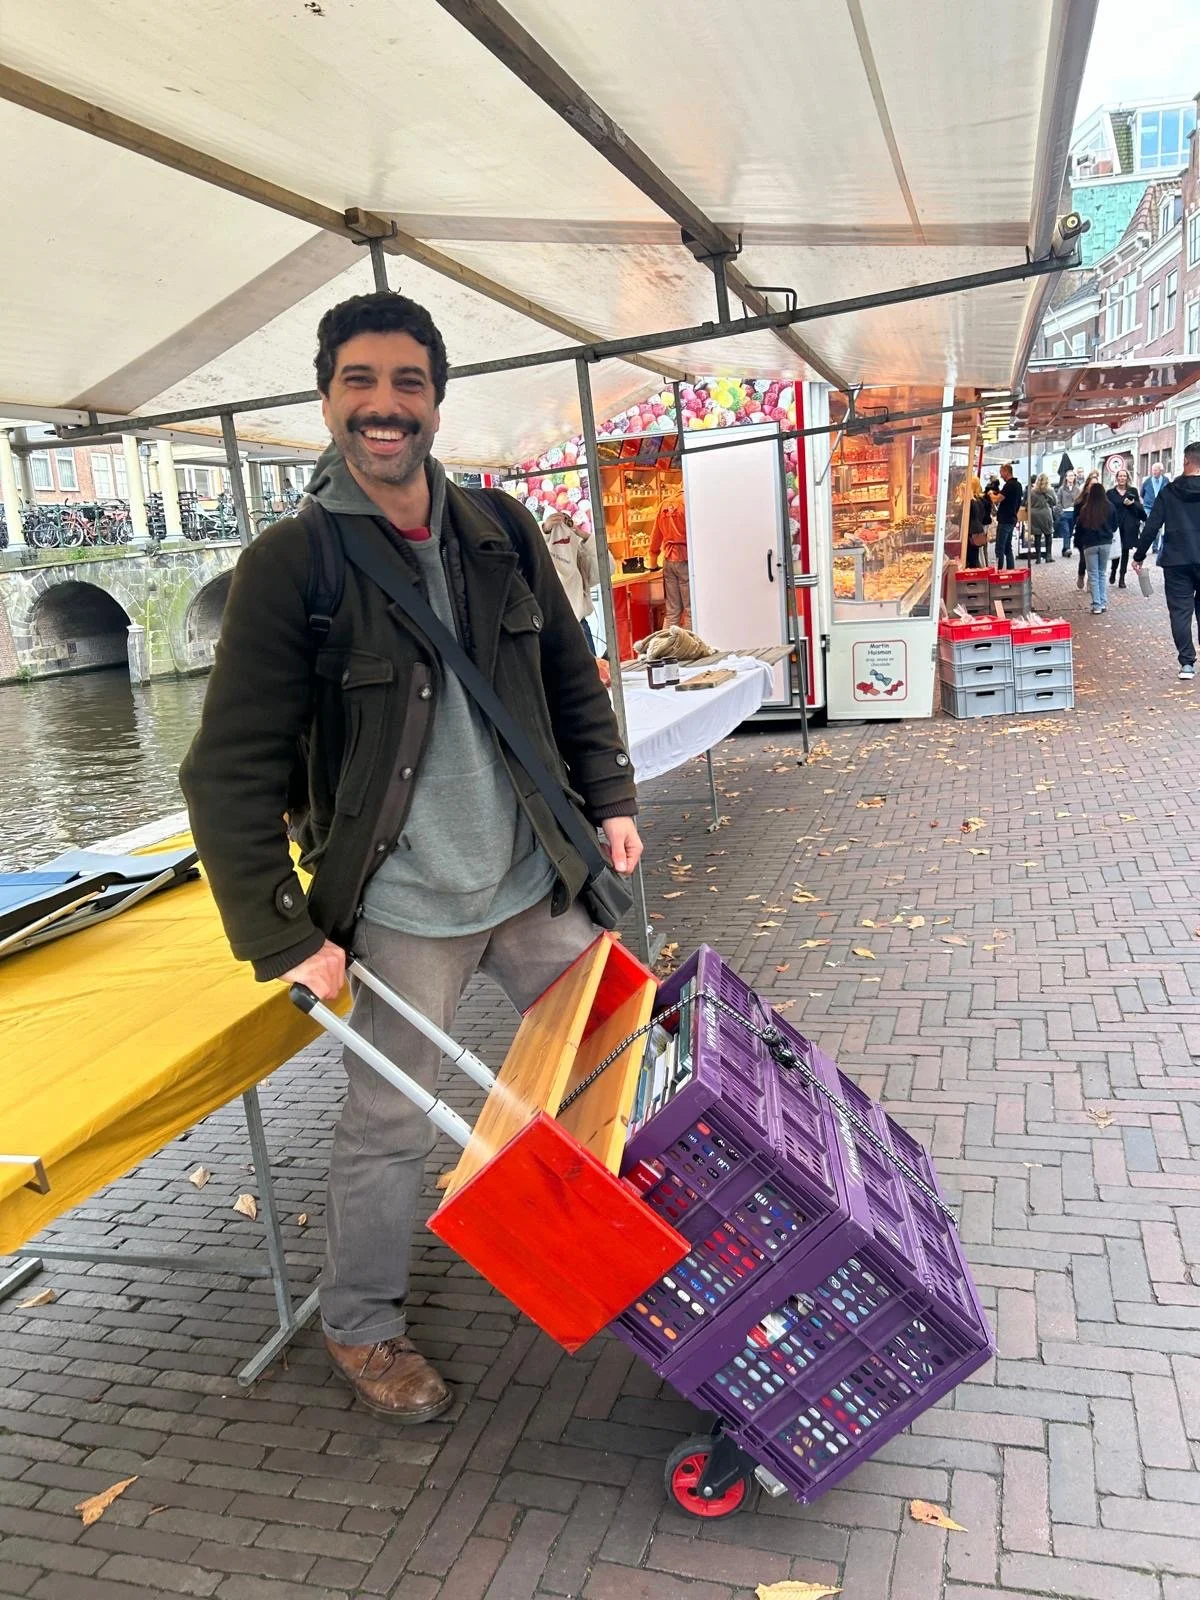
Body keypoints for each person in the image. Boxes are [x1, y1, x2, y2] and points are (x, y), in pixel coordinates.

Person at [179, 291, 642, 1422]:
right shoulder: (293, 565)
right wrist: (285, 934)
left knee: (619, 1057)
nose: (384, 406)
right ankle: (359, 1323)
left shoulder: (502, 531)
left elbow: (569, 678)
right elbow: (226, 771)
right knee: (389, 1126)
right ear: (327, 399)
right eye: (361, 382)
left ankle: (645, 1242)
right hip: (399, 906)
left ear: (437, 401)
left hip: (533, 879)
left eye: (407, 383)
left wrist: (611, 798)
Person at [1132, 440, 1200, 681]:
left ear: (1185, 460)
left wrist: (1139, 555)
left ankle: (1187, 663)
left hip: (1176, 560)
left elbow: (1152, 525)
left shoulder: (1169, 492)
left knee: (1180, 612)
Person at [541, 509, 599, 653]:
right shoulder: (541, 560)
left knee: (592, 666)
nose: (561, 532)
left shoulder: (579, 557)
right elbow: (529, 548)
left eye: (566, 523)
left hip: (580, 624)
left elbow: (606, 567)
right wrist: (544, 530)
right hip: (552, 629)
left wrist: (585, 537)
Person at [1074, 478, 1117, 614]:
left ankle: (1096, 604)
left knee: (1093, 574)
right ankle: (1103, 602)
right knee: (1102, 573)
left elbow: (1079, 528)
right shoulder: (1110, 507)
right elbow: (1115, 525)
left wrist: (1079, 542)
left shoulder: (1085, 509)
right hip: (1105, 543)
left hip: (1090, 544)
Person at [649, 488, 689, 628]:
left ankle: (667, 641)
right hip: (685, 559)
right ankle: (688, 642)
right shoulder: (689, 503)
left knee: (672, 611)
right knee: (691, 611)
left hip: (668, 560)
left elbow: (655, 535)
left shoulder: (664, 504)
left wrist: (653, 561)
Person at [1106, 467, 1147, 589]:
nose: (1122, 478)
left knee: (1125, 551)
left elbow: (1140, 508)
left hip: (1129, 526)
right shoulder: (1110, 493)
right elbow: (1106, 509)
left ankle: (1122, 577)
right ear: (1116, 478)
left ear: (1127, 478)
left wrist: (1132, 503)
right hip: (1115, 526)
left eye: (1124, 476)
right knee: (1116, 551)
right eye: (1120, 476)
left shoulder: (1133, 491)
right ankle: (1113, 570)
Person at [1074, 470, 1100, 589]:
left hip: (1096, 534)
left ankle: (1091, 580)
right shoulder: (1080, 501)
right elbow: (1075, 517)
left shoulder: (1101, 500)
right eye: (1092, 484)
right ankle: (1081, 575)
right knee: (1084, 558)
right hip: (1083, 533)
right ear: (1087, 485)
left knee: (1094, 559)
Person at [994, 463, 1023, 571]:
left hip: (1005, 520)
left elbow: (997, 499)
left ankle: (999, 570)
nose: (1000, 475)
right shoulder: (1018, 485)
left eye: (1001, 472)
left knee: (999, 548)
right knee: (1007, 548)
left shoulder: (1009, 485)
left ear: (1006, 471)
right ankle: (1011, 570)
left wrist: (990, 494)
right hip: (1012, 519)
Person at [1027, 473, 1056, 564]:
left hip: (1034, 515)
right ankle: (1048, 556)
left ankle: (1038, 558)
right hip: (1045, 513)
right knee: (1048, 534)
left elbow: (1027, 503)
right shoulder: (1050, 490)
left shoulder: (1032, 491)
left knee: (1037, 536)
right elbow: (1055, 502)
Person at [1142, 460, 1169, 555]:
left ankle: (1155, 547)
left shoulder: (1166, 481)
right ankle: (1145, 546)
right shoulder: (1147, 481)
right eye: (1153, 470)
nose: (1154, 472)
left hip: (1161, 507)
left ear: (1161, 471)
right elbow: (1142, 493)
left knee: (1158, 528)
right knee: (1150, 527)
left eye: (1156, 470)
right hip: (1148, 507)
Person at [965, 475, 992, 568]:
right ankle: (983, 569)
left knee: (974, 557)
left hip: (973, 531)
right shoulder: (981, 499)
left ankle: (980, 570)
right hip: (980, 529)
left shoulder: (973, 501)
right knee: (979, 554)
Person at [1055, 469, 1078, 557]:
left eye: (1072, 475)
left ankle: (1064, 549)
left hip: (1073, 513)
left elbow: (1079, 500)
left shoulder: (1077, 489)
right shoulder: (1062, 489)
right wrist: (1061, 512)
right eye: (1069, 476)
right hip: (1065, 513)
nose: (1071, 477)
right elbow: (1058, 501)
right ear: (1066, 477)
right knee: (1066, 531)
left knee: (1070, 532)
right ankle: (1068, 549)